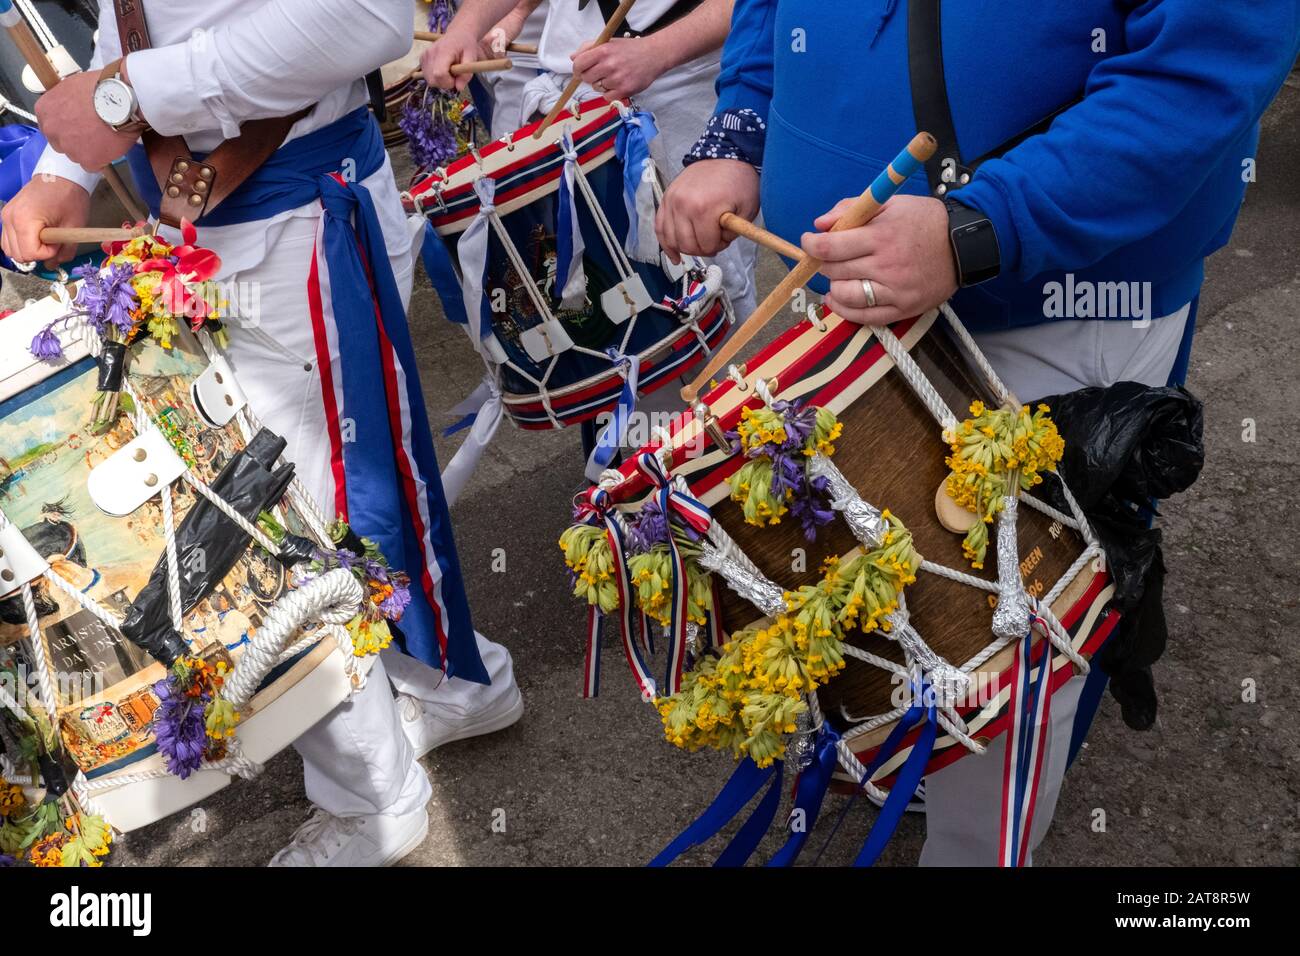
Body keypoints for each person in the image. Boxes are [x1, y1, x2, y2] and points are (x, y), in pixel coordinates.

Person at [656, 0, 1300, 864]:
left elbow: (1201, 65)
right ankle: (918, 755)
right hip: (853, 282)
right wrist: (740, 128)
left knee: (1001, 638)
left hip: (1055, 307)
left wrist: (981, 225)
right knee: (881, 593)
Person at [0, 0, 523, 867]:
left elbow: (370, 18)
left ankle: (374, 803)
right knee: (336, 496)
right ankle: (452, 681)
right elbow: (142, 19)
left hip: (291, 212)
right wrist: (66, 161)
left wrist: (124, 99)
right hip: (232, 217)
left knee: (273, 535)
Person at [424, 0, 758, 321]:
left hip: (680, 80)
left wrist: (659, 50)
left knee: (710, 287)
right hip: (570, 90)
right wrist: (464, 29)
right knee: (594, 297)